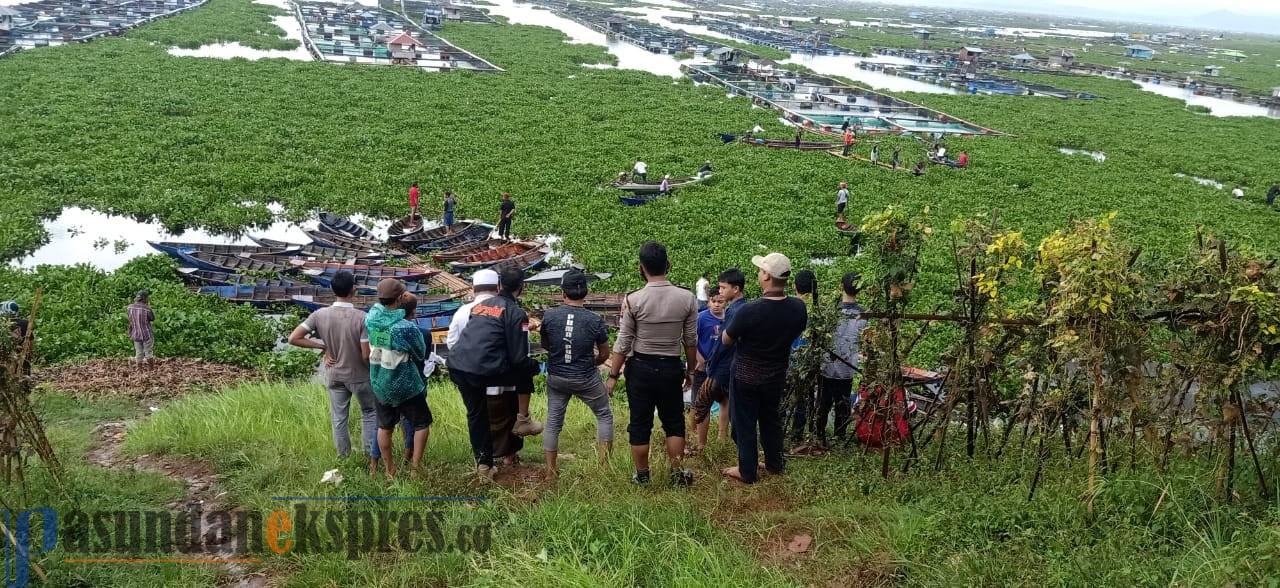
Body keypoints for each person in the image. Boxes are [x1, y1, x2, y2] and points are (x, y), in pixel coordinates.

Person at [603, 241, 698, 487]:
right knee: (674, 421)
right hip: (670, 367)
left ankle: (642, 476)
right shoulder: (687, 298)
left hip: (641, 368)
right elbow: (690, 340)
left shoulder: (634, 300)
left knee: (640, 422)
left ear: (641, 268)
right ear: (668, 265)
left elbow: (624, 342)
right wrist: (689, 370)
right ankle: (677, 475)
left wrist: (613, 374)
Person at [448, 268, 544, 481]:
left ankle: (484, 467)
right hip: (483, 371)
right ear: (522, 288)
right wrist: (533, 366)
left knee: (476, 416)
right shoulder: (517, 314)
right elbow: (519, 359)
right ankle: (523, 419)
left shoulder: (480, 307)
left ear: (499, 285)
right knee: (526, 371)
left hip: (458, 367)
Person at [721, 253, 808, 484]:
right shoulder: (798, 308)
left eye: (760, 271)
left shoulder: (749, 310)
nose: (758, 274)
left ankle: (747, 470)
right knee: (771, 418)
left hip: (746, 375)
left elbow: (726, 340)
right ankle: (774, 463)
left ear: (767, 276)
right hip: (776, 374)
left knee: (745, 421)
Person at [286, 270, 380, 462]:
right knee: (369, 413)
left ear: (332, 289)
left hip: (334, 375)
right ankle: (369, 455)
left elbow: (293, 338)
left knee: (339, 418)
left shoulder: (319, 314)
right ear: (353, 290)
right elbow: (365, 354)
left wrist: (323, 346)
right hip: (360, 376)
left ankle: (344, 458)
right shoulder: (362, 317)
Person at [541, 270, 614, 478]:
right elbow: (605, 353)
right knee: (604, 415)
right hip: (586, 378)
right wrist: (593, 362)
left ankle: (550, 471)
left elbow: (547, 344)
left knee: (554, 421)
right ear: (586, 293)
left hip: (557, 377)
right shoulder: (595, 320)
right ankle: (604, 468)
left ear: (563, 292)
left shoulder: (550, 315)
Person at [365, 280, 433, 480]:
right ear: (398, 299)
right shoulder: (405, 327)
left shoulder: (371, 319)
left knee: (385, 427)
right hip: (405, 384)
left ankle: (389, 470)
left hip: (380, 381)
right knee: (422, 424)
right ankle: (415, 469)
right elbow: (420, 353)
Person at [698, 269, 747, 454]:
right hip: (732, 365)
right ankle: (722, 438)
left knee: (702, 402)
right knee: (727, 401)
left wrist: (711, 363)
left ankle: (701, 444)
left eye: (723, 288)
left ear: (735, 289)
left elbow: (724, 342)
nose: (720, 291)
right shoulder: (742, 308)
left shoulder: (734, 311)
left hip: (723, 366)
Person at [815, 272, 867, 446]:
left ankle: (819, 435)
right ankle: (840, 436)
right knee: (843, 403)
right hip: (848, 368)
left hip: (827, 366)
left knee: (823, 403)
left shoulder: (831, 313)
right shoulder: (864, 316)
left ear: (841, 287)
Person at [689, 286, 726, 452]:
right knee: (698, 401)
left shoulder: (729, 318)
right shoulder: (701, 318)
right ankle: (694, 431)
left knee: (723, 399)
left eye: (720, 301)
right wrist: (699, 360)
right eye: (713, 301)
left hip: (720, 367)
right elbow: (691, 341)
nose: (717, 305)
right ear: (708, 301)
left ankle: (721, 436)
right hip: (702, 366)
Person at [788, 269, 818, 445]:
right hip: (808, 363)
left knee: (782, 397)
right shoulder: (817, 310)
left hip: (788, 359)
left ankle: (780, 428)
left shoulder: (788, 306)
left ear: (794, 287)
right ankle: (797, 433)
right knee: (804, 400)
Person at [127, 290, 155, 369]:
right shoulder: (147, 309)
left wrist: (129, 331)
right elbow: (152, 318)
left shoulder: (129, 307)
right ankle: (152, 369)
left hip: (135, 333)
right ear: (144, 299)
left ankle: (139, 369)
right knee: (148, 352)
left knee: (138, 352)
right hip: (146, 334)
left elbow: (131, 320)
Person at [1, 301, 30, 376]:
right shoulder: (25, 323)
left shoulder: (3, 325)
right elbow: (31, 341)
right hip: (23, 358)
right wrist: (30, 354)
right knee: (25, 377)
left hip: (7, 359)